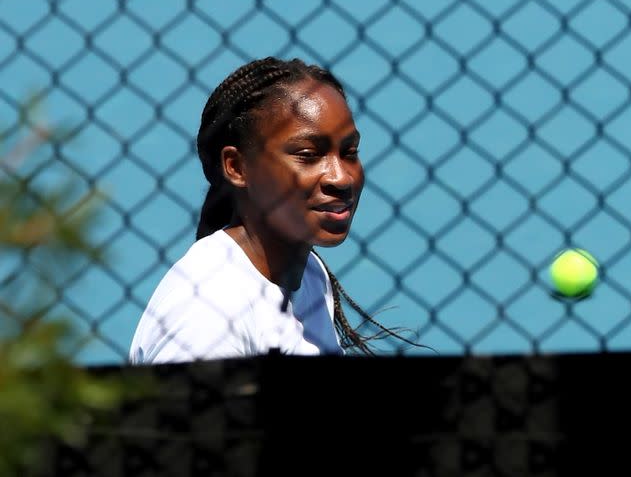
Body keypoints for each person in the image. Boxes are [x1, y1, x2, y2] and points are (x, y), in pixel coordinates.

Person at [129, 56, 416, 364]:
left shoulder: (310, 275)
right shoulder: (208, 312)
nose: (341, 177)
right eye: (308, 155)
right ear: (237, 167)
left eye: (349, 152)